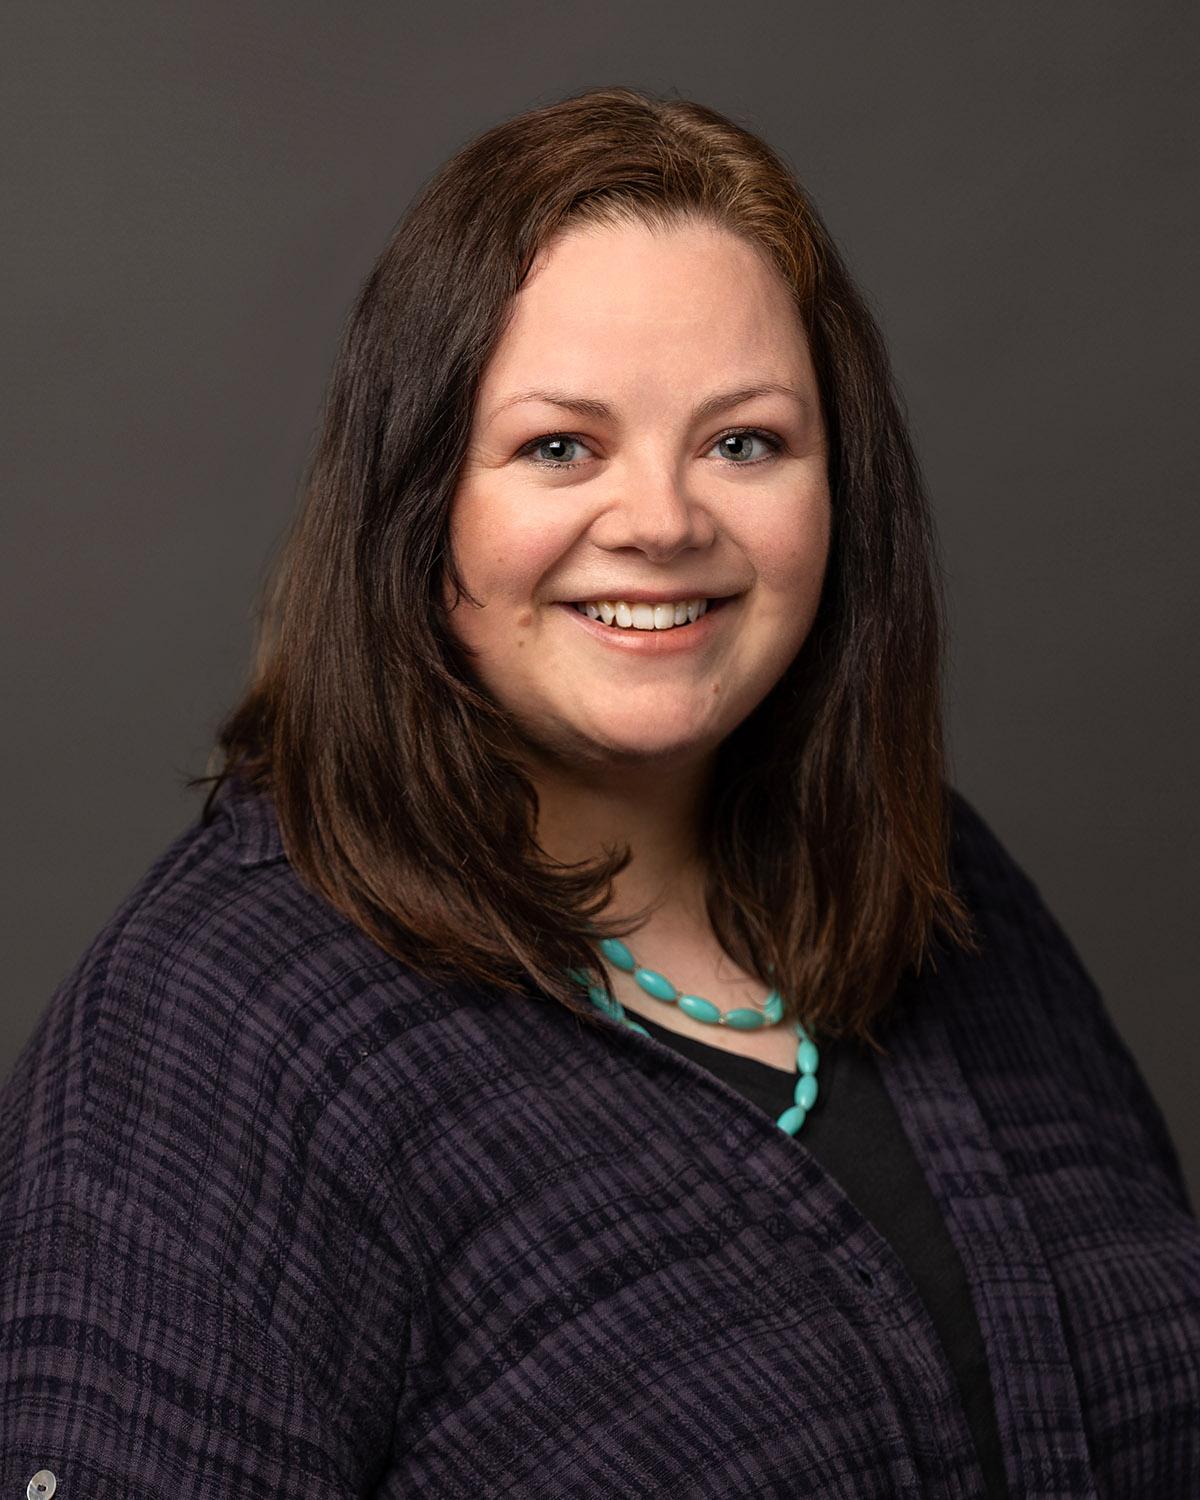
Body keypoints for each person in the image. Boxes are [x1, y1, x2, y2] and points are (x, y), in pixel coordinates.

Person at [2, 85, 1197, 1500]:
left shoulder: (938, 880)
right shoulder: (219, 1028)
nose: (663, 522)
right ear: (418, 495)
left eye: (743, 441)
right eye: (560, 446)